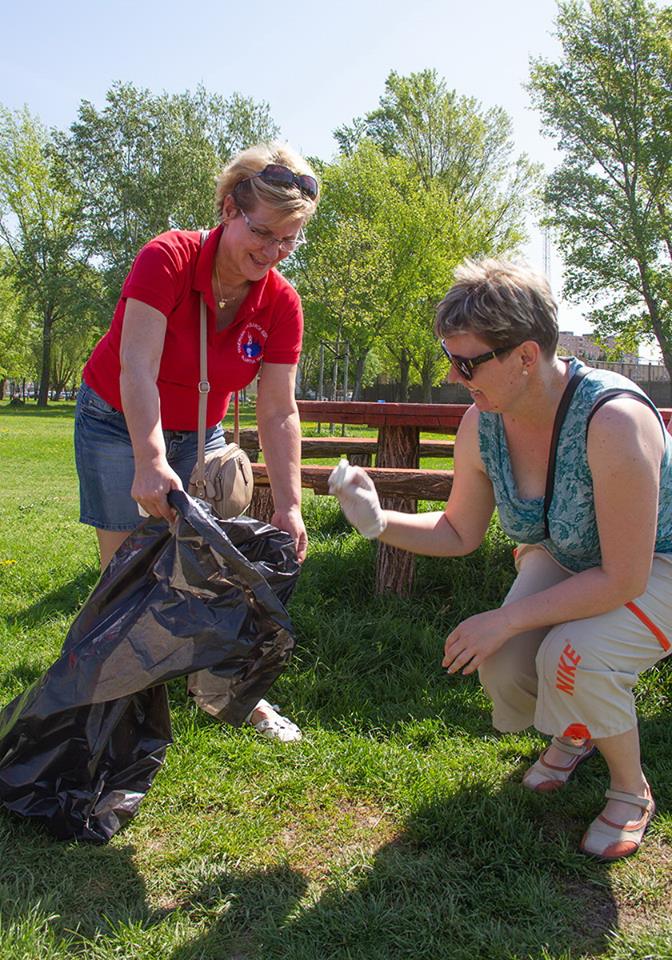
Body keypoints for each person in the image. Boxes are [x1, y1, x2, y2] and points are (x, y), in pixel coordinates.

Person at [329, 259, 672, 860]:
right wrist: (378, 521)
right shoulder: (482, 421)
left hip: (655, 563)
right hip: (569, 554)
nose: (454, 375)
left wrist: (507, 617)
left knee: (572, 657)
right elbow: (459, 530)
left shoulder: (613, 420)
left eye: (467, 362)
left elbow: (624, 576)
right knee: (505, 664)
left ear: (525, 356)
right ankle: (575, 733)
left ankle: (630, 789)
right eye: (450, 358)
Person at [74, 142, 320, 742]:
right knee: (129, 569)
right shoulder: (167, 257)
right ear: (229, 209)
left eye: (288, 240)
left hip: (200, 431)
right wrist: (149, 459)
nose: (272, 251)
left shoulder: (282, 303)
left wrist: (289, 504)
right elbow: (137, 367)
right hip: (118, 421)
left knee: (210, 567)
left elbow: (278, 411)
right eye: (261, 232)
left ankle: (226, 690)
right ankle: (128, 699)